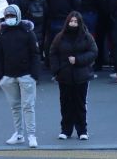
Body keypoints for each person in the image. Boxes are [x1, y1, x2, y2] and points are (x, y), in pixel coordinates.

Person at [0, 4, 42, 147]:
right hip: (9, 76)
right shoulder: (2, 33)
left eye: (12, 16)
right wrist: (1, 75)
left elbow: (35, 54)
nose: (10, 19)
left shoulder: (28, 31)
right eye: (7, 16)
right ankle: (18, 134)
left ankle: (31, 135)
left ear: (18, 16)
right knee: (15, 106)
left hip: (26, 75)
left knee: (28, 106)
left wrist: (34, 75)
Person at [49, 11, 96, 141]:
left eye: (75, 22)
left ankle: (82, 130)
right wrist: (56, 70)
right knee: (65, 104)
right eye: (71, 21)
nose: (73, 24)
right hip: (64, 76)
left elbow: (93, 52)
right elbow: (53, 53)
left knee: (80, 104)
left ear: (79, 23)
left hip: (81, 76)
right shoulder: (60, 37)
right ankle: (66, 130)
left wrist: (78, 60)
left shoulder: (86, 37)